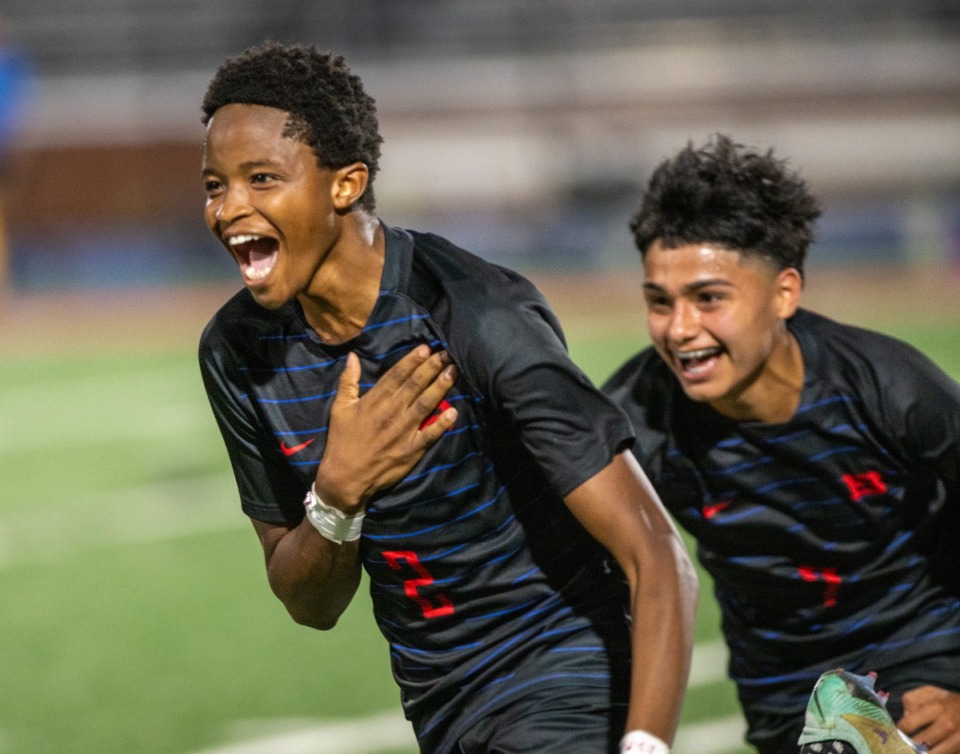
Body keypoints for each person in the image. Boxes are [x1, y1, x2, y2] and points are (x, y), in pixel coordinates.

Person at [197, 41, 697, 754]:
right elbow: (309, 604)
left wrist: (646, 747)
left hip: (566, 672)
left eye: (261, 179)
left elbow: (656, 554)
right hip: (439, 703)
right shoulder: (235, 352)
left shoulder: (476, 315)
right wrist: (338, 494)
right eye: (215, 185)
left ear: (345, 184)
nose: (229, 208)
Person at [602, 134, 960, 754]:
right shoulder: (635, 420)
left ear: (785, 293)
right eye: (660, 302)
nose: (680, 328)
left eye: (708, 298)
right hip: (783, 697)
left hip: (927, 661)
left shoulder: (894, 393)